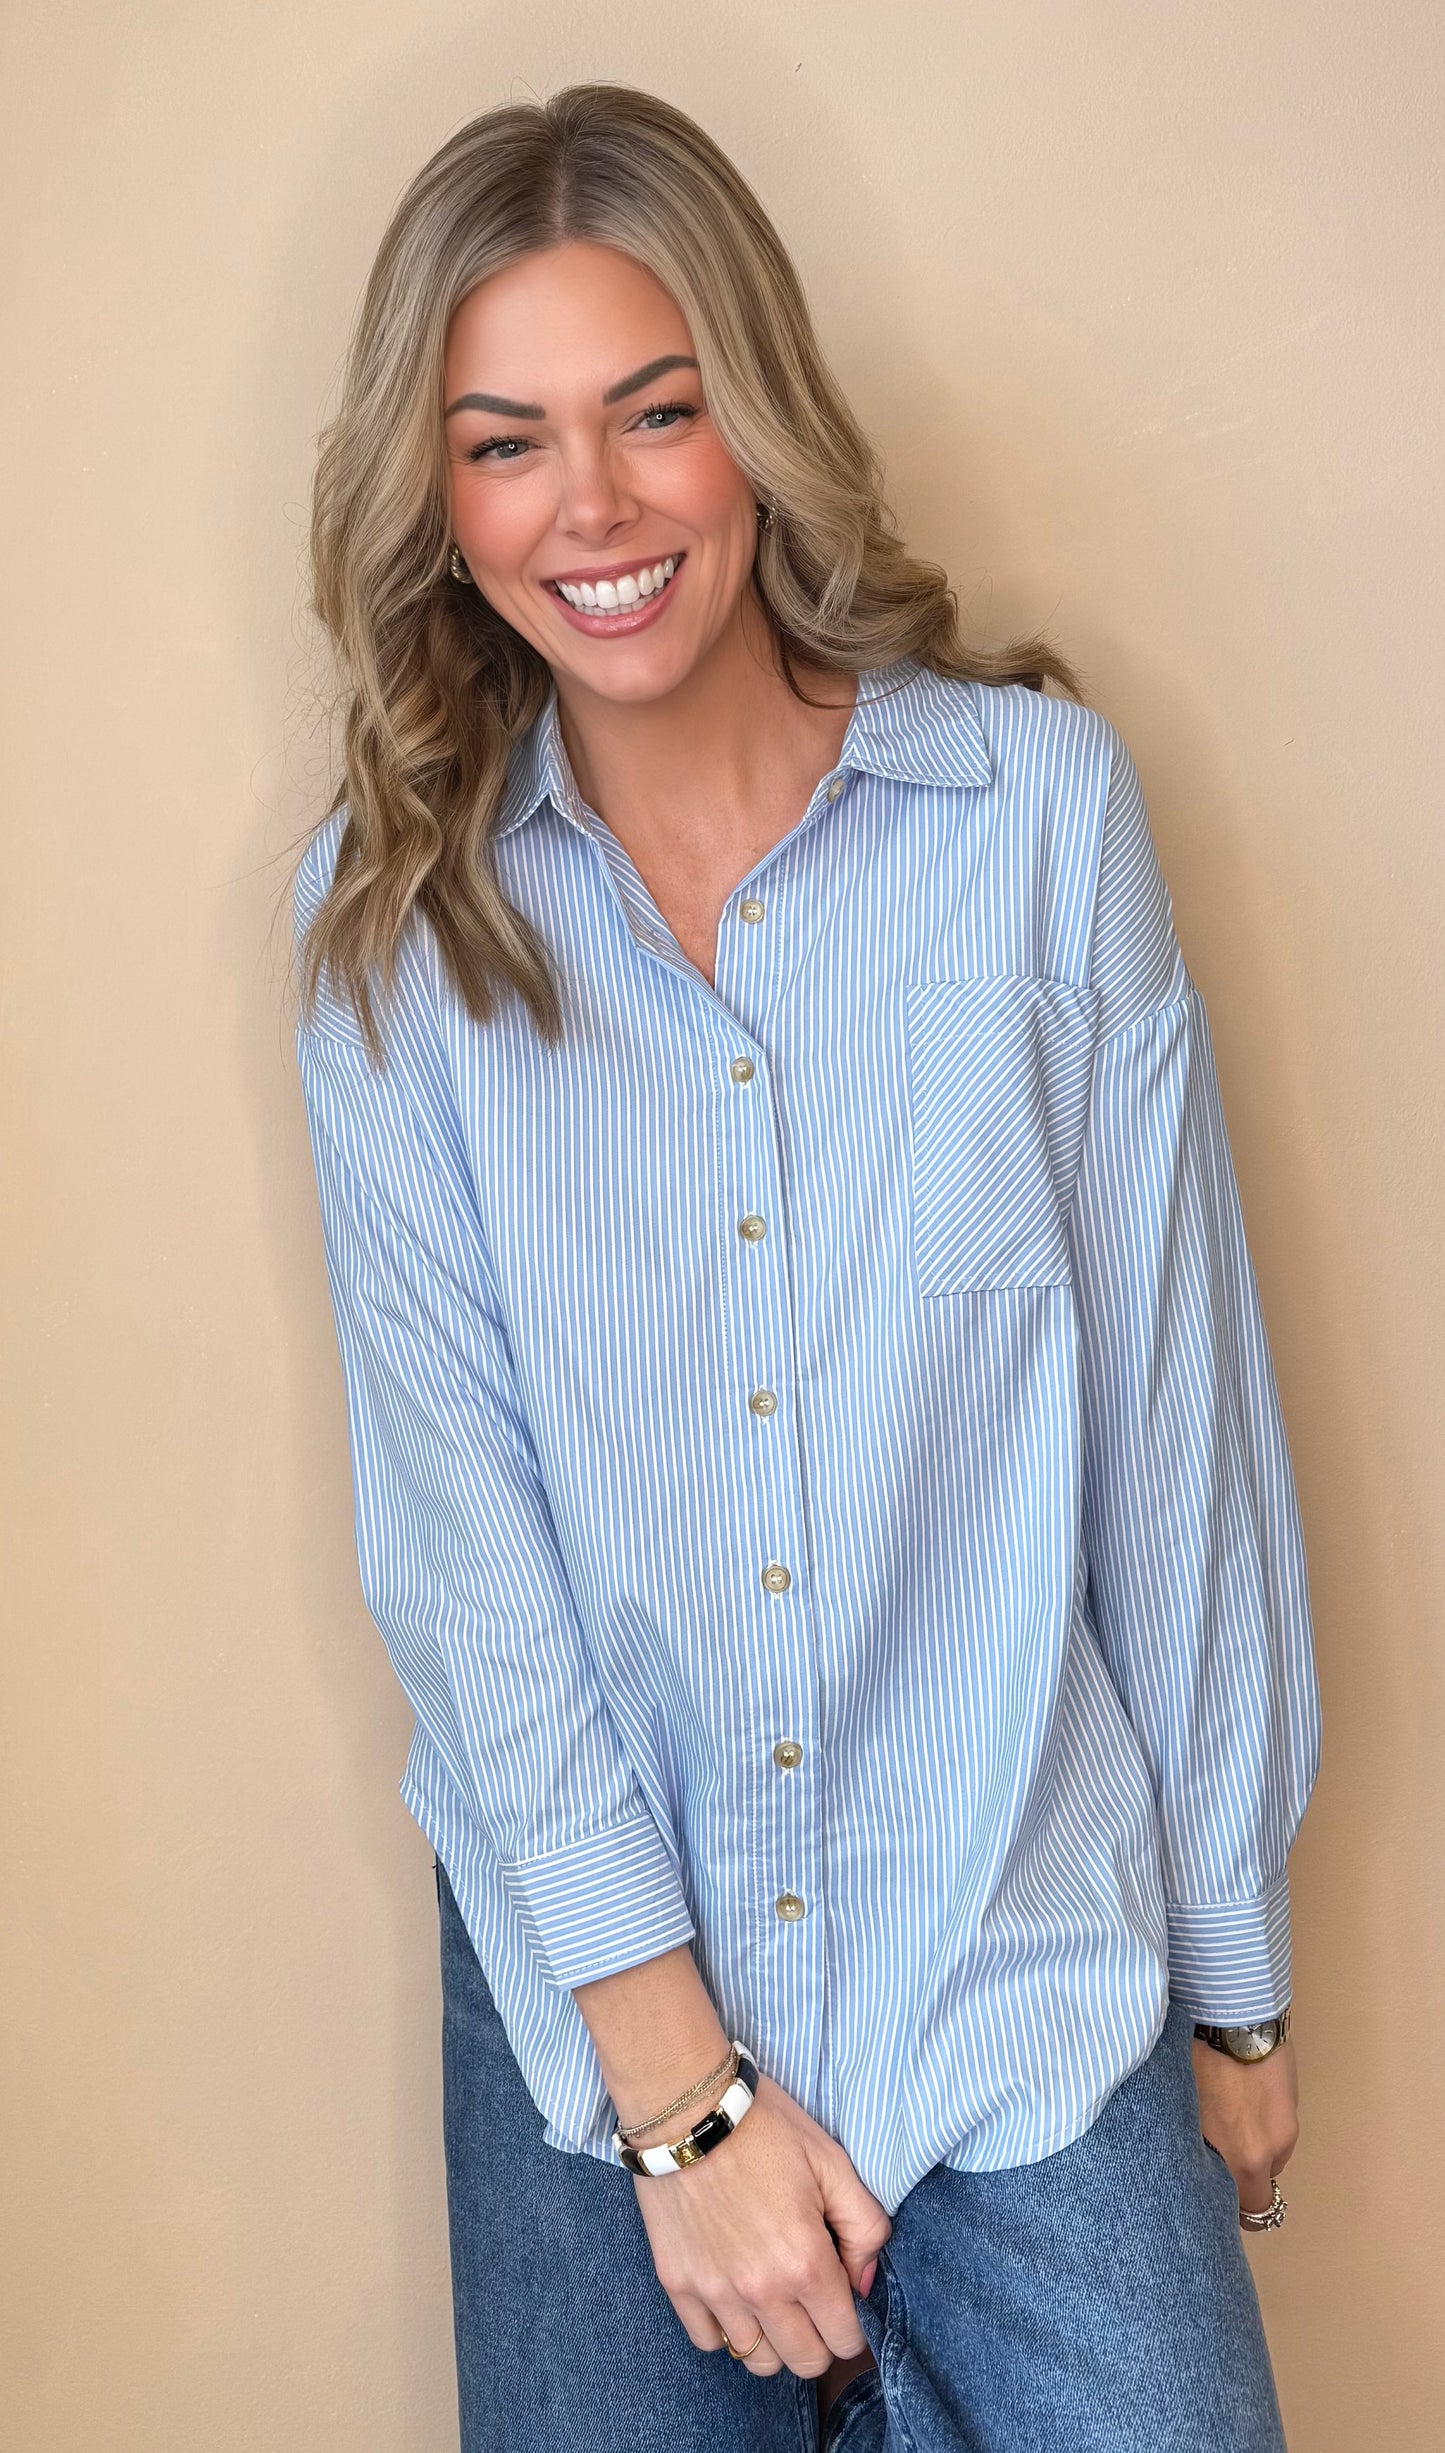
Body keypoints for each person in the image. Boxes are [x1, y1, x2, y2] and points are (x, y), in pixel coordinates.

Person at [291, 82, 1322, 2453]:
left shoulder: (1039, 822)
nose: (599, 508)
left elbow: (1177, 1423)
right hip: (603, 2036)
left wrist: (1236, 1987)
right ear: (436, 503)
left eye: (658, 412)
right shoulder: (389, 933)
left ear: (753, 419)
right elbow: (472, 1562)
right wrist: (680, 2108)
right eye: (507, 441)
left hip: (1019, 1977)